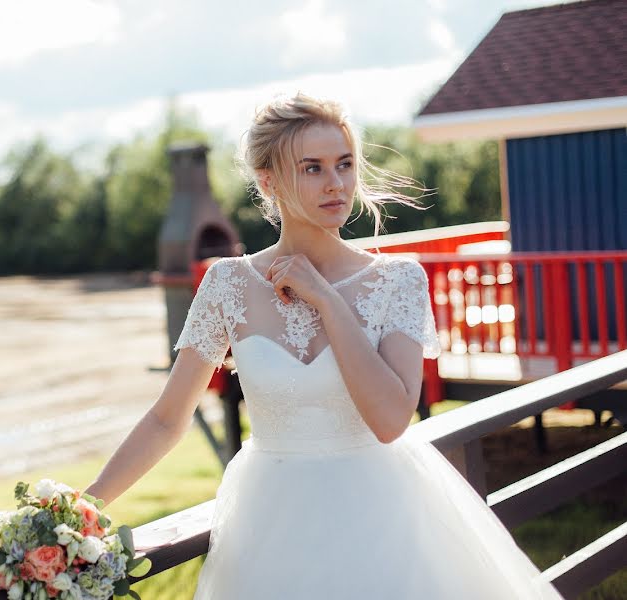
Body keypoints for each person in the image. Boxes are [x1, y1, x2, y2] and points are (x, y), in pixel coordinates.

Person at [84, 93, 564, 599]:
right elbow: (166, 419)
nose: (336, 184)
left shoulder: (399, 281)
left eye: (345, 165)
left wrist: (327, 301)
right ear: (268, 182)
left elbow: (390, 420)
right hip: (270, 523)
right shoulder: (227, 284)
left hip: (385, 518)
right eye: (312, 168)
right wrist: (80, 510)